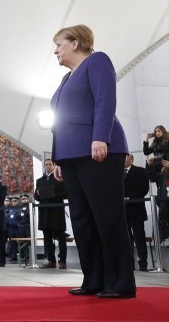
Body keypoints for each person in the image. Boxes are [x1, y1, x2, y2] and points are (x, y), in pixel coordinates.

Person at [50, 24, 136, 299]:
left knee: (107, 216)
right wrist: (58, 158)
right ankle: (94, 279)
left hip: (98, 150)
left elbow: (105, 100)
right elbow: (59, 121)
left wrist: (100, 137)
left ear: (75, 43)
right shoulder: (66, 78)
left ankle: (121, 282)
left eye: (59, 45)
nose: (55, 51)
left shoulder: (97, 61)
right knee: (82, 219)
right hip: (71, 155)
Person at [34, 159, 68, 270]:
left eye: (50, 164)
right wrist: (43, 193)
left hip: (57, 211)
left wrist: (48, 192)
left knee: (61, 237)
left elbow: (65, 193)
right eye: (46, 164)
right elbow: (36, 196)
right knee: (47, 237)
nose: (48, 166)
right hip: (45, 212)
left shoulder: (59, 178)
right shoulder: (39, 180)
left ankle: (62, 261)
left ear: (53, 166)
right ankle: (51, 260)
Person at [123, 154, 149, 271]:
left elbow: (144, 188)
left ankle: (143, 263)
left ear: (132, 158)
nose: (123, 160)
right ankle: (129, 264)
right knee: (126, 239)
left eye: (125, 157)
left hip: (136, 209)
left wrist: (129, 198)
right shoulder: (117, 173)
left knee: (139, 237)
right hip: (123, 211)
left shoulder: (141, 171)